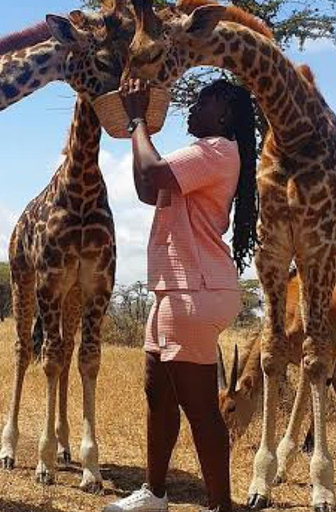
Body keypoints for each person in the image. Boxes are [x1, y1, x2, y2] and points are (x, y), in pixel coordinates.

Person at [102, 79, 258, 512]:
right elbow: (148, 188)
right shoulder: (204, 154)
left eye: (202, 101)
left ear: (225, 112)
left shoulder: (217, 151)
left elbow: (151, 171)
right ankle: (154, 494)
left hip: (195, 289)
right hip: (175, 287)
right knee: (159, 395)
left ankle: (220, 506)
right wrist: (139, 133)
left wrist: (136, 119)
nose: (191, 107)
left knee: (201, 409)